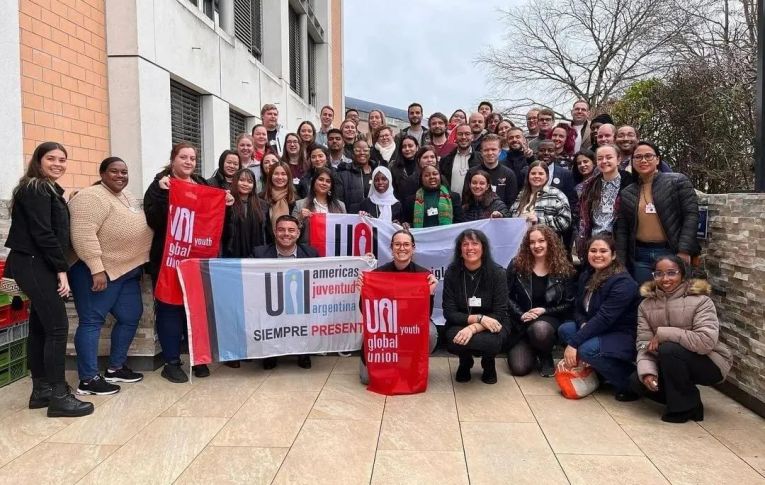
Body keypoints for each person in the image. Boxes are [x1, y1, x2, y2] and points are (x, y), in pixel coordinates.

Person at [4, 142, 94, 417]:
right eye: (51, 158)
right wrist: (61, 269)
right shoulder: (37, 188)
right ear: (38, 161)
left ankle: (41, 391)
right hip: (34, 263)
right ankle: (58, 396)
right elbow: (44, 233)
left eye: (62, 159)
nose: (58, 163)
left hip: (34, 263)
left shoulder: (45, 189)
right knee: (57, 328)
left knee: (42, 327)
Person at [144, 143, 233, 382]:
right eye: (183, 157)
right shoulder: (160, 185)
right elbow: (154, 220)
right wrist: (164, 193)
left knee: (196, 309)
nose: (188, 161)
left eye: (192, 158)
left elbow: (214, 219)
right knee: (170, 308)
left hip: (198, 258)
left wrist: (226, 204)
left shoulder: (203, 184)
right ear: (173, 159)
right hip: (169, 258)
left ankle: (197, 358)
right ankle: (171, 362)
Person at [69, 157, 152, 395]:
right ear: (102, 173)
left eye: (124, 172)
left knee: (131, 315)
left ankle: (115, 367)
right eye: (114, 171)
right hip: (97, 272)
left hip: (126, 270)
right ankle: (88, 379)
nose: (120, 176)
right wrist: (96, 268)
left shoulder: (125, 196)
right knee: (91, 321)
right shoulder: (90, 197)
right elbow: (83, 234)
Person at [631, 256, 732, 423]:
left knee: (669, 349)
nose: (665, 279)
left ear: (683, 274)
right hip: (670, 362)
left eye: (672, 273)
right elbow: (644, 344)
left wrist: (664, 333)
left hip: (709, 362)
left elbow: (706, 342)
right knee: (637, 381)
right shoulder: (646, 305)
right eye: (659, 273)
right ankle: (692, 401)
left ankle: (681, 410)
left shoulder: (701, 301)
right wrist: (648, 372)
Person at [558, 236, 640, 401]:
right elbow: (578, 308)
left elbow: (605, 318)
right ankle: (600, 373)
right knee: (565, 330)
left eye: (603, 251)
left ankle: (631, 383)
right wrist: (582, 324)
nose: (597, 255)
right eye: (593, 251)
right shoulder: (587, 274)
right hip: (598, 328)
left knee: (586, 349)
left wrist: (574, 343)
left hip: (621, 333)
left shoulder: (623, 282)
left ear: (614, 255)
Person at [358, 230, 439, 384]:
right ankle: (386, 360)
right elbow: (366, 311)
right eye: (397, 244)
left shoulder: (423, 275)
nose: (402, 248)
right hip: (385, 327)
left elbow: (425, 315)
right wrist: (363, 291)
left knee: (430, 332)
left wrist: (429, 294)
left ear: (413, 248)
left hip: (410, 326)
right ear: (391, 247)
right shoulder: (378, 274)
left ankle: (409, 363)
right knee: (367, 379)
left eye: (406, 244)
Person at [615, 141, 700, 284]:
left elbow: (691, 216)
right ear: (632, 161)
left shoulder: (677, 181)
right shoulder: (628, 192)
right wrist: (621, 262)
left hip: (670, 252)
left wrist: (684, 250)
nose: (643, 160)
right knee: (645, 297)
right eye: (638, 157)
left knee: (674, 298)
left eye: (648, 156)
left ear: (658, 159)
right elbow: (623, 229)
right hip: (640, 255)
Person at [443, 229, 511, 384]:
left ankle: (488, 362)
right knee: (453, 338)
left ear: (483, 248)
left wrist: (473, 328)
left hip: (494, 323)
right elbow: (449, 312)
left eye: (475, 243)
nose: (470, 248)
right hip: (462, 322)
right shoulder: (452, 273)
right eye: (465, 244)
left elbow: (500, 312)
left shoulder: (498, 273)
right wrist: (478, 319)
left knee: (492, 341)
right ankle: (465, 361)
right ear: (460, 250)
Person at [506, 225, 576, 377]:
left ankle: (545, 354)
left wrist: (545, 310)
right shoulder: (517, 264)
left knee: (540, 330)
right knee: (519, 369)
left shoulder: (563, 267)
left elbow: (569, 303)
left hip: (549, 319)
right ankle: (533, 348)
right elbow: (505, 295)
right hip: (522, 321)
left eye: (541, 241)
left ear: (550, 242)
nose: (536, 245)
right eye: (532, 242)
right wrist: (520, 314)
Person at [253, 215, 319, 370]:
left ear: (298, 233)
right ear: (275, 232)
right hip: (269, 301)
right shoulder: (259, 253)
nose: (286, 234)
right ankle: (270, 353)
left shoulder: (310, 253)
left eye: (291, 230)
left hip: (299, 301)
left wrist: (364, 260)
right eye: (281, 230)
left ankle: (303, 353)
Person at [575, 145, 633, 261]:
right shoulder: (589, 186)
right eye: (600, 158)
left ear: (618, 160)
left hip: (619, 242)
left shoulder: (630, 184)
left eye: (609, 157)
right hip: (594, 242)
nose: (604, 161)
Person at [510, 161, 571, 237]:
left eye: (541, 174)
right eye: (533, 173)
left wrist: (539, 220)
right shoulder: (521, 195)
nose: (536, 176)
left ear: (547, 177)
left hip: (546, 243)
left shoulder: (557, 195)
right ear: (528, 176)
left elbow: (565, 222)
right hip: (521, 242)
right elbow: (512, 216)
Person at [465, 134, 518, 209]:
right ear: (481, 152)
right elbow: (466, 200)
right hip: (476, 218)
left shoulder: (509, 174)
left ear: (499, 151)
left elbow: (511, 203)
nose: (490, 153)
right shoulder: (472, 172)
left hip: (500, 217)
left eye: (493, 149)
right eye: (486, 150)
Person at [293, 166, 346, 236]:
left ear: (331, 186)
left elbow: (345, 230)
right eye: (321, 179)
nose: (324, 183)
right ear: (314, 182)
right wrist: (300, 218)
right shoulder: (300, 204)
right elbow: (291, 230)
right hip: (307, 246)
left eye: (328, 181)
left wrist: (361, 218)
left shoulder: (340, 206)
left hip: (332, 245)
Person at [440, 123, 482, 194]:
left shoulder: (481, 159)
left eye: (467, 134)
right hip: (451, 203)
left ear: (472, 136)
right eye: (460, 134)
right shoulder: (445, 160)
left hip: (473, 203)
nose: (463, 137)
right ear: (456, 137)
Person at [262, 161, 297, 244]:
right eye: (276, 174)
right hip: (266, 248)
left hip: (290, 247)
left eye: (283, 174)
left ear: (289, 177)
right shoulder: (261, 198)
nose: (280, 177)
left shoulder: (296, 200)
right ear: (270, 176)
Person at [338, 139, 376, 213]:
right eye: (358, 150)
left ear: (369, 152)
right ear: (352, 153)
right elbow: (339, 202)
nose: (362, 153)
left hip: (375, 219)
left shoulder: (377, 172)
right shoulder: (343, 174)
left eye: (365, 150)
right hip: (352, 219)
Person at [389, 135, 419, 200]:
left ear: (417, 147)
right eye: (404, 147)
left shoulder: (422, 165)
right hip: (400, 204)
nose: (407, 149)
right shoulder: (394, 167)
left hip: (419, 204)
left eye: (410, 146)